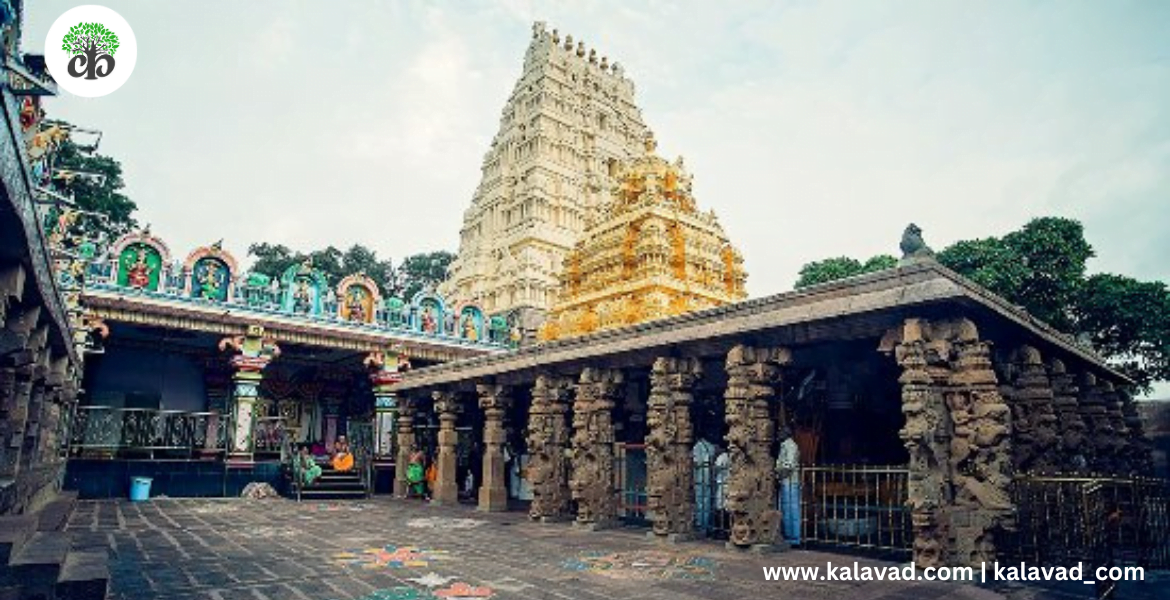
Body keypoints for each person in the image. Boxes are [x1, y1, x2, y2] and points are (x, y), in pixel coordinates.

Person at [775, 427, 801, 546]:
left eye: (780, 433)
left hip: (790, 481)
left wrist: (777, 472)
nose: (778, 435)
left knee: (792, 510)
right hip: (785, 481)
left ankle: (794, 537)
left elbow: (789, 465)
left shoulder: (790, 446)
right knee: (786, 510)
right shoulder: (784, 445)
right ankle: (789, 535)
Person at [692, 438, 717, 533]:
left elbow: (696, 462)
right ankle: (706, 525)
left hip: (700, 477)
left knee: (700, 502)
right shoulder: (711, 446)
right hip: (708, 477)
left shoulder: (698, 446)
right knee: (707, 502)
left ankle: (701, 525)